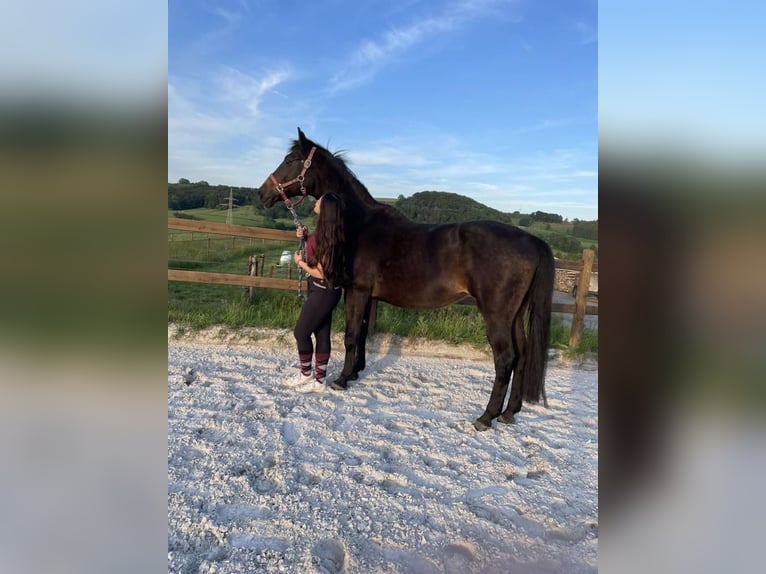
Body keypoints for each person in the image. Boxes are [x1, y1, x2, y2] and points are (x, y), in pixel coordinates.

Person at [287, 193, 346, 393]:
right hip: (322, 290)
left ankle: (307, 375)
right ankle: (318, 382)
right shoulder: (327, 232)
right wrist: (305, 237)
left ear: (326, 208)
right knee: (322, 334)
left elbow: (321, 271)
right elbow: (314, 248)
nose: (316, 201)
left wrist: (300, 263)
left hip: (323, 290)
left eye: (319, 200)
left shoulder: (327, 238)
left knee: (301, 332)